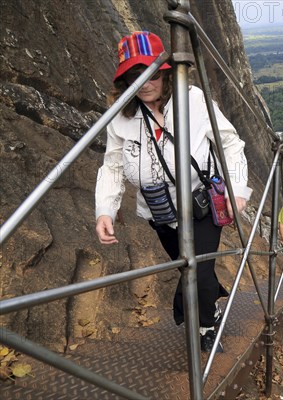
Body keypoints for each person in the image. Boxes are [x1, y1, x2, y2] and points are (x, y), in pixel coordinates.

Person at [95, 31, 252, 353]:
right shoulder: (120, 116)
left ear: (165, 72)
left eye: (151, 73)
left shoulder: (193, 100)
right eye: (134, 76)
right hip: (160, 212)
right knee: (188, 268)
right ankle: (212, 301)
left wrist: (237, 190)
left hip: (201, 205)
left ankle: (204, 328)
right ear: (124, 81)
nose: (144, 83)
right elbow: (112, 166)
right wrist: (104, 210)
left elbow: (231, 144)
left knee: (196, 267)